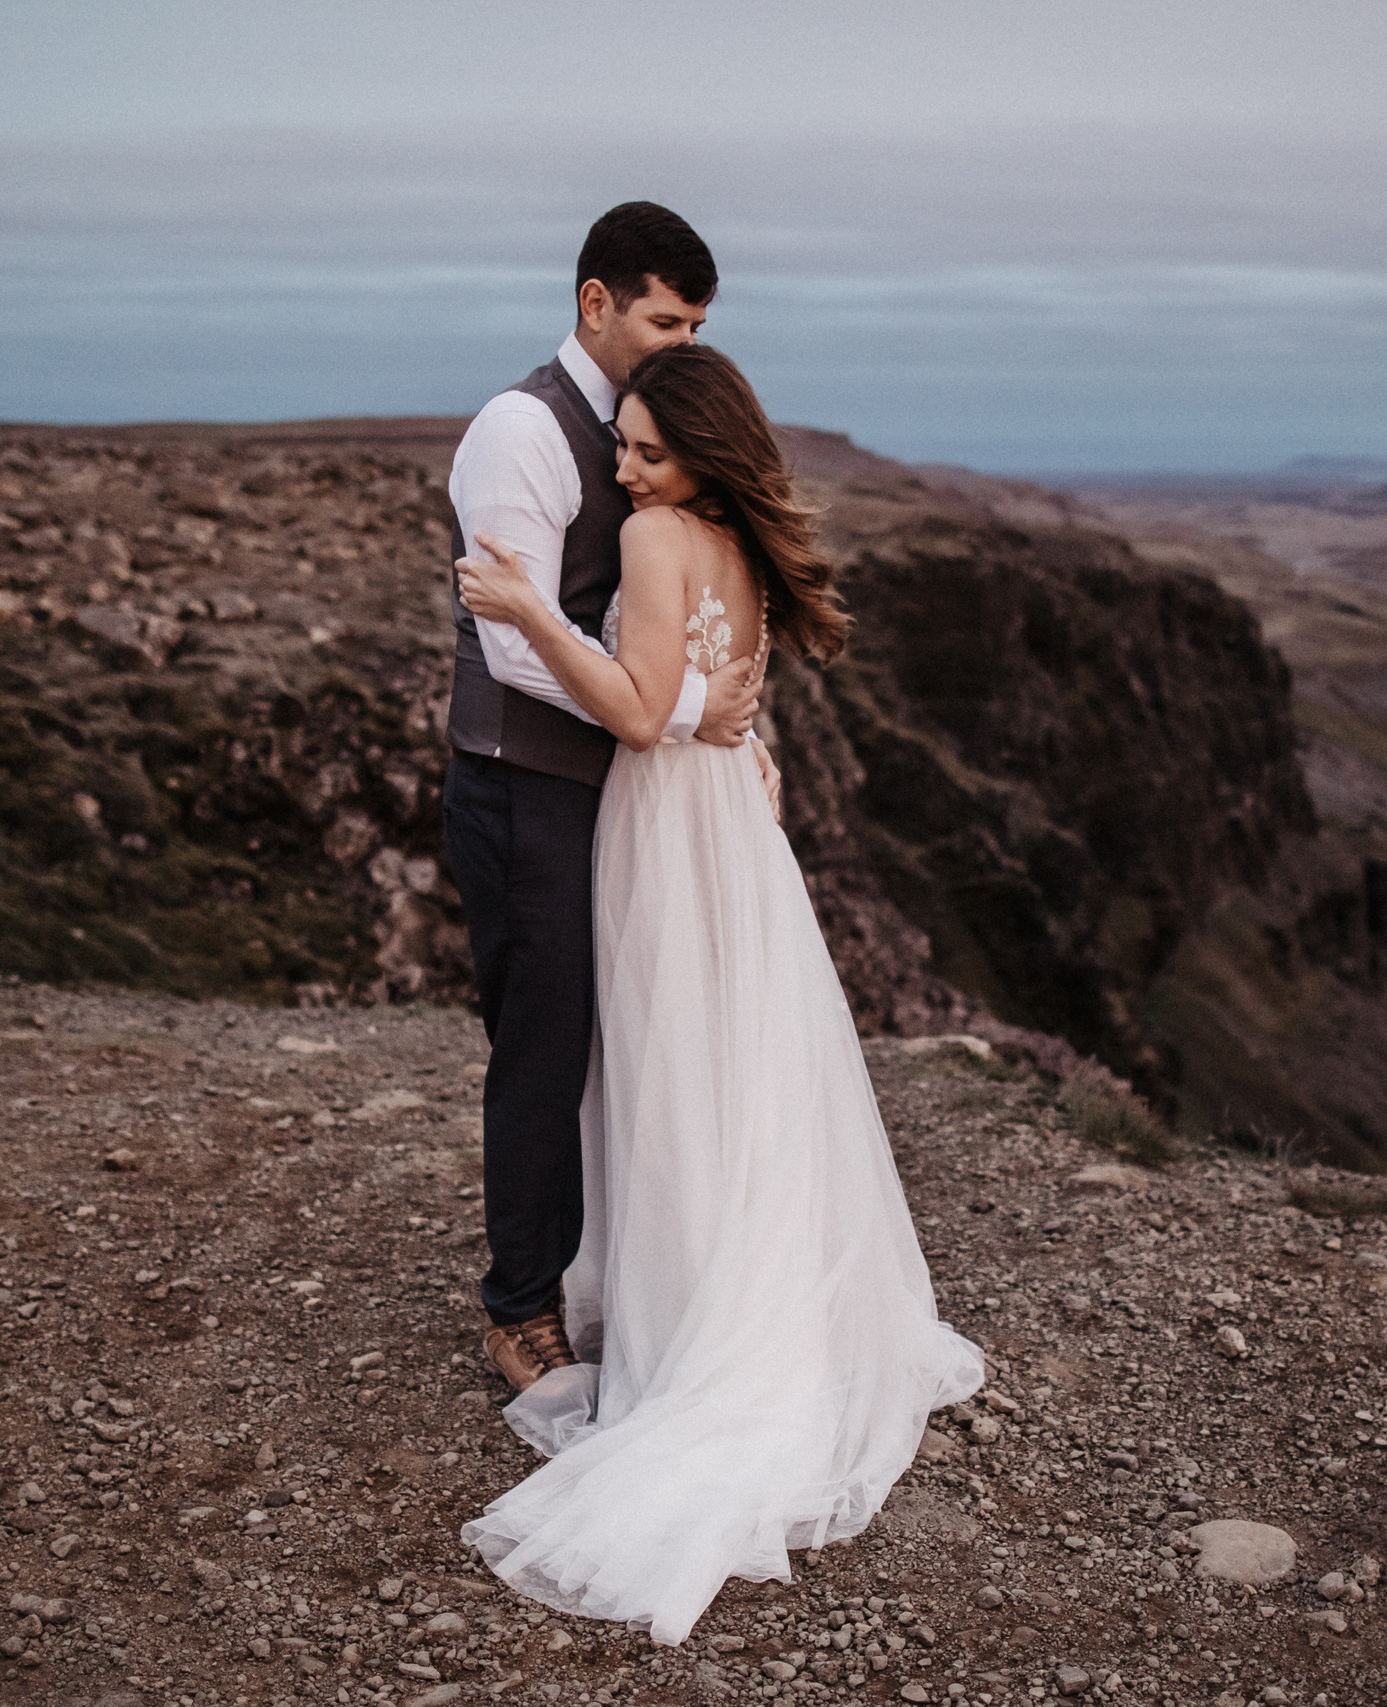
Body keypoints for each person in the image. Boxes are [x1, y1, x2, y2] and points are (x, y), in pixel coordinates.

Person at [452, 342, 984, 1643]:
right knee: (731, 1065)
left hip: (665, 819)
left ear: (700, 455)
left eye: (645, 450)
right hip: (735, 828)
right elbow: (709, 700)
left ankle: (687, 1323)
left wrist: (524, 611)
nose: (622, 471)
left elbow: (637, 712)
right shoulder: (740, 544)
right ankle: (732, 1288)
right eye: (619, 445)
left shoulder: (648, 543)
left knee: (664, 1069)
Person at [442, 202, 765, 1394]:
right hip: (523, 782)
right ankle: (519, 1305)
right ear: (595, 303)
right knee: (543, 1042)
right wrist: (682, 721)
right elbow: (516, 643)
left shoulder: (648, 429)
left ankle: (614, 1272)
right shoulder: (520, 432)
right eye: (663, 320)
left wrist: (728, 731)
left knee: (624, 1039)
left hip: (618, 789)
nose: (682, 344)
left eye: (695, 326)